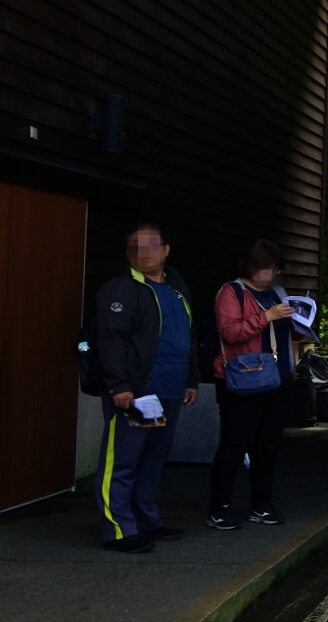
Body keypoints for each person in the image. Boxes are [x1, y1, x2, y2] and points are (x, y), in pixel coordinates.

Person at [93, 223, 199, 554]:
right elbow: (110, 340)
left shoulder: (177, 287)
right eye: (135, 247)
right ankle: (119, 529)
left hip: (168, 391)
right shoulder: (122, 288)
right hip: (139, 393)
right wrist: (120, 385)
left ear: (166, 249)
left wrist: (191, 379)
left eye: (151, 245)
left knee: (151, 461)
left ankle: (145, 520)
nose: (144, 252)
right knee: (123, 460)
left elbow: (188, 336)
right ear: (127, 254)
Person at [207, 239, 296, 530]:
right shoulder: (231, 292)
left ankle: (261, 504)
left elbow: (285, 334)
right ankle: (219, 507)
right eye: (263, 269)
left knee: (268, 446)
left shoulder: (277, 293)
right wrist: (267, 316)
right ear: (248, 266)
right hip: (241, 380)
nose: (269, 275)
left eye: (273, 269)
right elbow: (231, 332)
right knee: (235, 444)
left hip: (277, 378)